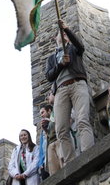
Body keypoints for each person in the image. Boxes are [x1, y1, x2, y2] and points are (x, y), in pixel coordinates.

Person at [45, 19, 94, 165]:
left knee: (82, 119)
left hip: (77, 84)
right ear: (55, 38)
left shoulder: (73, 49)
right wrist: (60, 65)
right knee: (61, 129)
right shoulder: (52, 58)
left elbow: (80, 46)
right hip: (61, 90)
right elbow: (49, 76)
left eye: (65, 34)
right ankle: (70, 162)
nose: (63, 35)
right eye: (60, 33)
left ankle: (88, 153)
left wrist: (66, 29)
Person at [38, 104, 62, 177]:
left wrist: (50, 121)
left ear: (49, 111)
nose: (41, 115)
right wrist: (40, 163)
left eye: (43, 112)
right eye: (40, 114)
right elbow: (42, 149)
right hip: (48, 156)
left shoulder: (57, 116)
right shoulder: (42, 132)